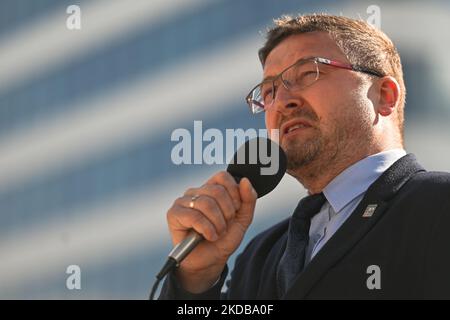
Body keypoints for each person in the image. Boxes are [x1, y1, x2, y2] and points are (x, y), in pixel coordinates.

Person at [158, 14, 450, 299]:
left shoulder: (438, 205)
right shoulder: (260, 255)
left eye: (309, 72)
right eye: (269, 91)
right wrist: (196, 280)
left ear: (385, 95)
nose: (283, 102)